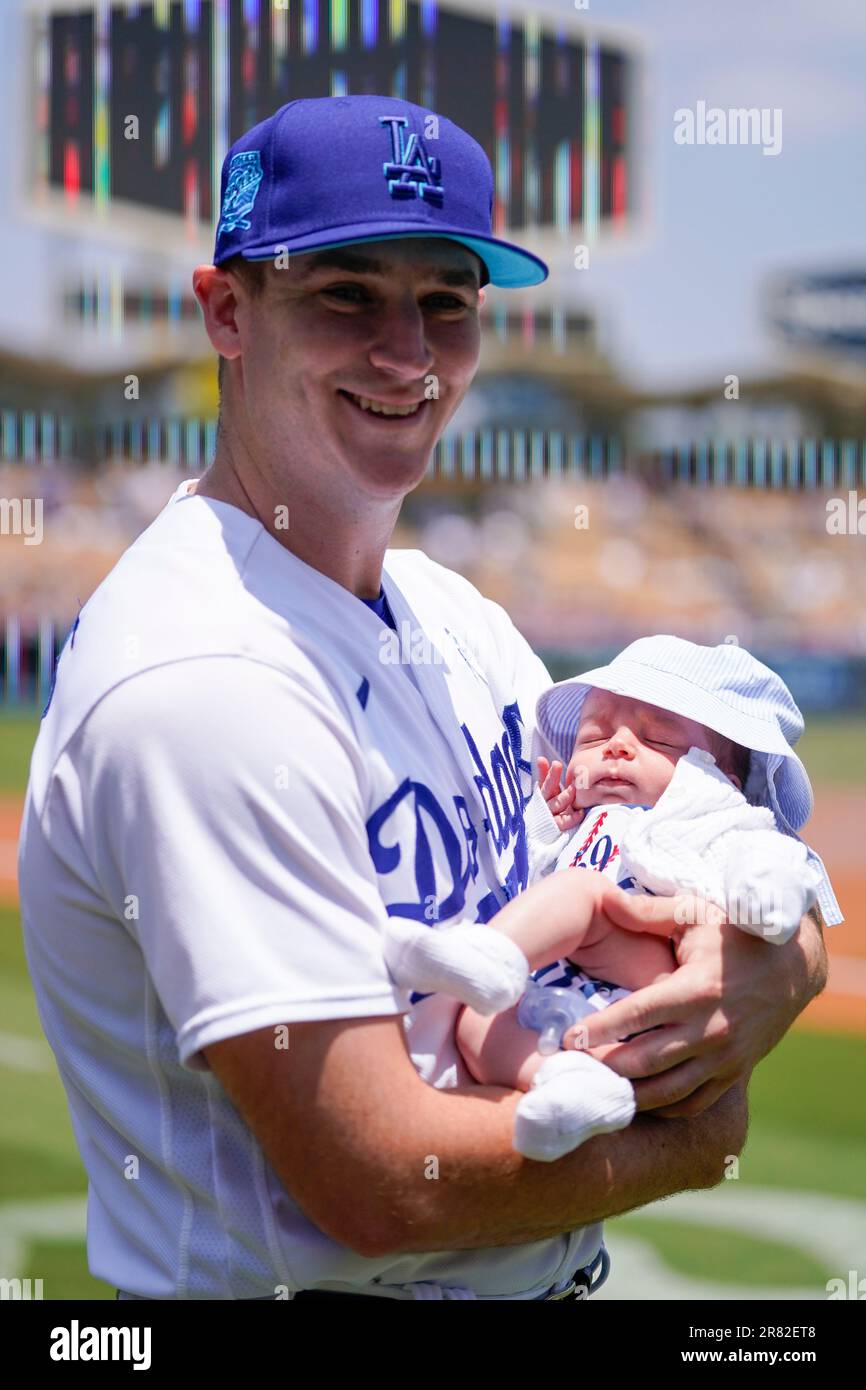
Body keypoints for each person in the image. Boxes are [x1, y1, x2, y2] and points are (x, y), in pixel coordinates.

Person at [17, 95, 830, 1302]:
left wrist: (785, 960)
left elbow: (653, 850)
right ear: (228, 311)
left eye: (444, 303)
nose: (407, 352)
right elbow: (376, 1186)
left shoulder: (457, 620)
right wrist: (696, 1135)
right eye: (346, 292)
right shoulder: (201, 680)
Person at [381, 636, 841, 1166]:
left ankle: (489, 954)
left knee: (583, 893)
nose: (616, 746)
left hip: (653, 971)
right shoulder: (578, 823)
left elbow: (767, 854)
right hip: (571, 996)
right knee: (477, 1027)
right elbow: (521, 875)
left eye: (660, 741)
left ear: (721, 780)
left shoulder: (710, 817)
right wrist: (545, 826)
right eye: (593, 736)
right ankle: (572, 1082)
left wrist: (766, 895)